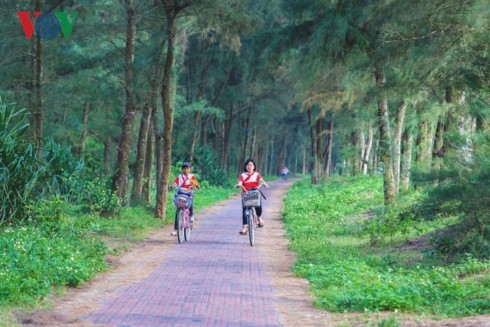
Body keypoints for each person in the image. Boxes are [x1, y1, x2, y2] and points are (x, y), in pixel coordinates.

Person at [234, 158, 269, 235]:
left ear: (254, 167)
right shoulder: (242, 175)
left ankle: (259, 218)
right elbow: (240, 182)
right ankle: (244, 227)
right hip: (246, 194)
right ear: (245, 167)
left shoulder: (257, 174)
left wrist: (264, 183)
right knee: (245, 210)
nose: (249, 166)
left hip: (255, 193)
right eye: (248, 165)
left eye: (251, 165)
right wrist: (239, 184)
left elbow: (261, 180)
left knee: (258, 206)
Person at [171, 162, 200, 236]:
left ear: (190, 169)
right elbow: (175, 184)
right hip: (180, 194)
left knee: (190, 203)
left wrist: (196, 186)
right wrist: (171, 186)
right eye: (184, 168)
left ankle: (191, 216)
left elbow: (196, 184)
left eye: (187, 168)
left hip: (188, 194)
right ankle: (175, 229)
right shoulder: (179, 177)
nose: (186, 170)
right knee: (178, 210)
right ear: (182, 169)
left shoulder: (191, 177)